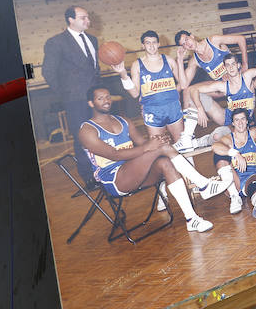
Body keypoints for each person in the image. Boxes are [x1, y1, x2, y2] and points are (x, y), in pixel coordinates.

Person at [79, 87, 228, 232]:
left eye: (107, 97)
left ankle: (192, 219)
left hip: (135, 171)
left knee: (165, 162)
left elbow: (143, 144)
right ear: (91, 103)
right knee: (162, 150)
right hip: (114, 179)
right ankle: (203, 185)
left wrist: (158, 140)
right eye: (100, 98)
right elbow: (114, 155)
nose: (106, 101)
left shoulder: (122, 121)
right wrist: (151, 147)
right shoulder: (87, 130)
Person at [111, 30, 210, 153]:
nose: (151, 46)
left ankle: (188, 172)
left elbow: (184, 84)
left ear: (158, 44)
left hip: (173, 108)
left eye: (154, 42)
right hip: (153, 112)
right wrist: (123, 74)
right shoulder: (137, 65)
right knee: (158, 148)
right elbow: (135, 93)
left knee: (184, 145)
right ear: (143, 45)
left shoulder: (169, 60)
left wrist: (179, 60)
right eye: (148, 43)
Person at [42, 6, 101, 186]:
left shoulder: (92, 39)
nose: (88, 21)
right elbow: (48, 72)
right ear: (70, 19)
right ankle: (88, 176)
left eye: (88, 17)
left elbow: (94, 70)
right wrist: (66, 94)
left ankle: (104, 170)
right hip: (74, 99)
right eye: (83, 17)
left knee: (100, 134)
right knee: (82, 137)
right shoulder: (56, 42)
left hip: (95, 97)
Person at [186, 54, 256, 129]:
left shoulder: (247, 77)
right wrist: (200, 108)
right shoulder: (223, 86)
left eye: (233, 64)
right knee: (193, 97)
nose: (231, 68)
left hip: (244, 120)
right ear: (225, 68)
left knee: (219, 136)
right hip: (227, 118)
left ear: (238, 65)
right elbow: (193, 89)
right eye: (228, 65)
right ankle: (187, 135)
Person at [212, 107, 256, 215]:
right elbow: (215, 146)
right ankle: (235, 197)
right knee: (219, 157)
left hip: (252, 177)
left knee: (255, 182)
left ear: (247, 121)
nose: (240, 123)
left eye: (243, 119)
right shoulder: (229, 139)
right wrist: (236, 153)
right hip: (235, 181)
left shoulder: (253, 133)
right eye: (237, 120)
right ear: (233, 123)